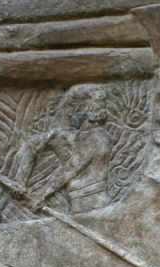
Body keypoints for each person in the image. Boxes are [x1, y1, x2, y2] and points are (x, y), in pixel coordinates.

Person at [10, 85, 115, 214]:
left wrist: (42, 195)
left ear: (85, 110)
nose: (70, 114)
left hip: (94, 205)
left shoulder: (96, 137)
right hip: (80, 205)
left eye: (72, 109)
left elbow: (71, 168)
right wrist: (20, 181)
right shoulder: (78, 136)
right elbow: (31, 145)